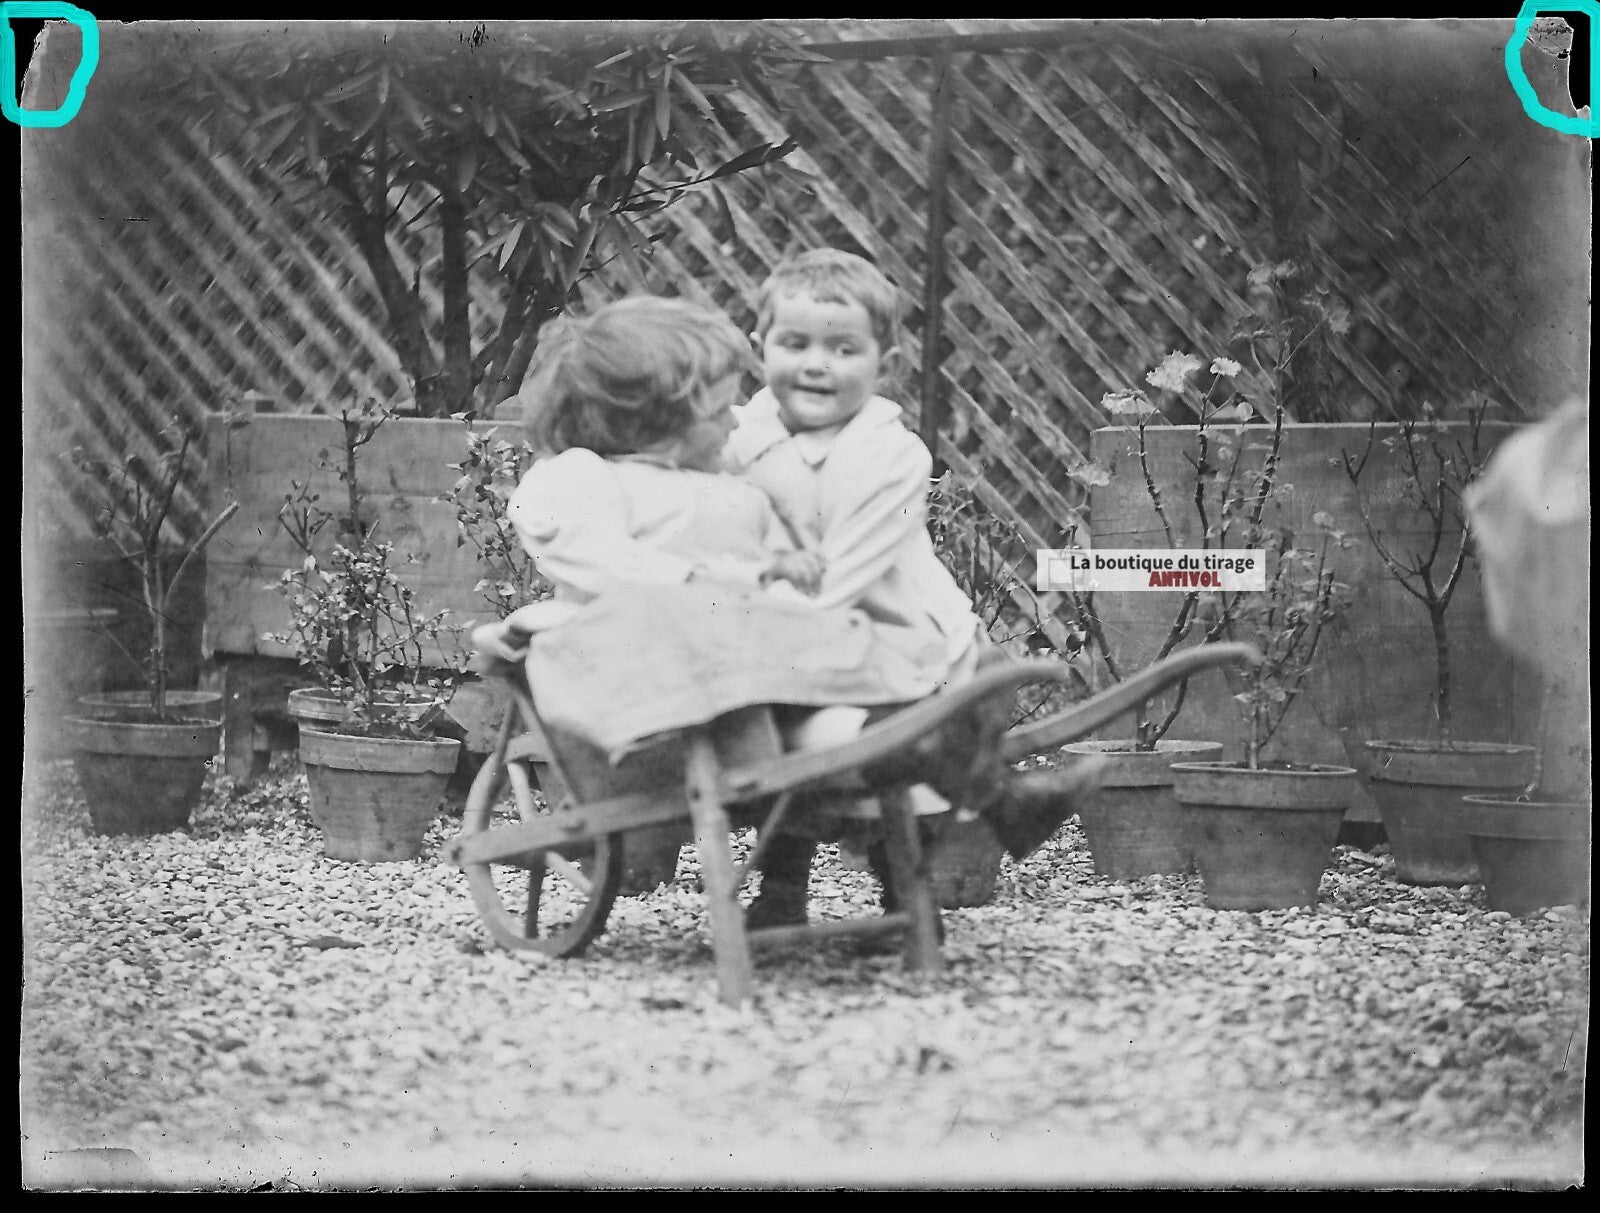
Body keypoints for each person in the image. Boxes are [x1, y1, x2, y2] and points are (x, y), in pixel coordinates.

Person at [725, 249, 1105, 927]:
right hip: (794, 628)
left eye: (844, 349)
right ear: (761, 347)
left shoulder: (891, 455)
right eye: (795, 344)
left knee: (901, 745)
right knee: (788, 741)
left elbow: (846, 572)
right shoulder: (737, 441)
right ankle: (780, 890)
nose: (816, 365)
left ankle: (905, 889)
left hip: (897, 628)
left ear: (885, 363)